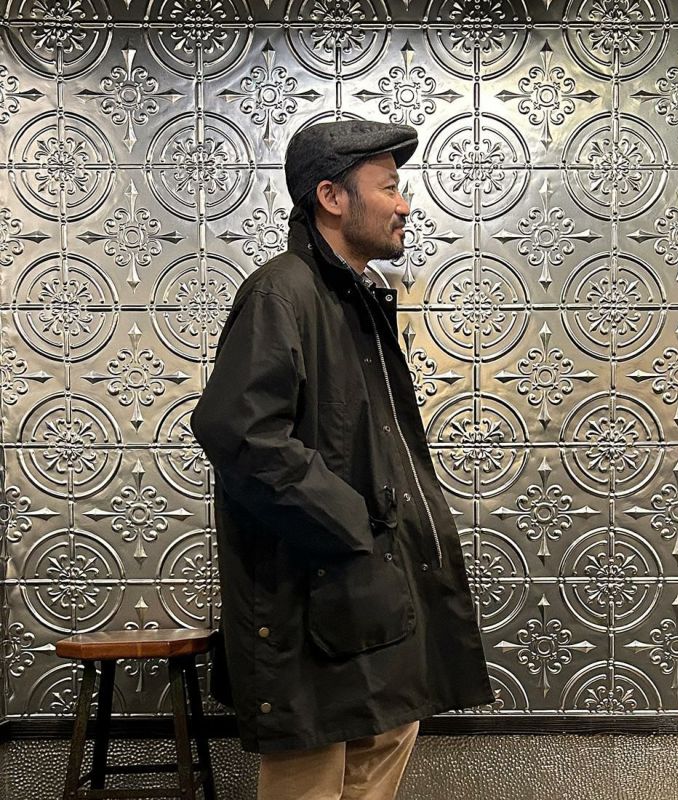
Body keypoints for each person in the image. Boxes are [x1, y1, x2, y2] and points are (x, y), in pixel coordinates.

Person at [190, 119, 492, 800]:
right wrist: (353, 524)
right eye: (389, 188)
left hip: (368, 594)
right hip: (309, 598)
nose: (405, 205)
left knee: (388, 736)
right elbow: (239, 432)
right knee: (313, 775)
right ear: (331, 197)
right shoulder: (283, 292)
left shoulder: (353, 298)